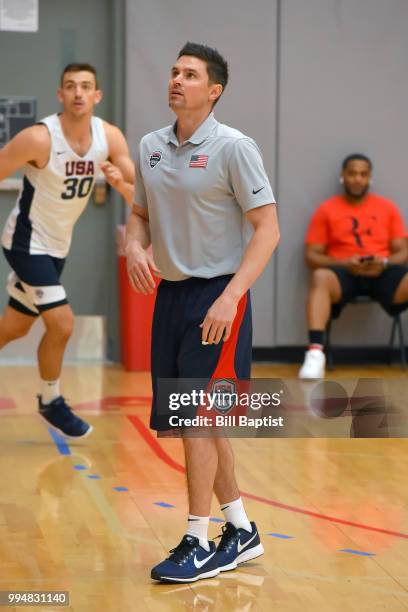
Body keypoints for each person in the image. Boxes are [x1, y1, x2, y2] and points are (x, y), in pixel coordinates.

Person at [111, 41, 279, 583]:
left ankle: (196, 540)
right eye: (174, 71)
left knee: (197, 418)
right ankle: (240, 529)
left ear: (214, 91)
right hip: (174, 296)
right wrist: (136, 247)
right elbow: (140, 213)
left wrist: (231, 298)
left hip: (219, 298)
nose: (176, 80)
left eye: (190, 74)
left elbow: (268, 230)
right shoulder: (151, 145)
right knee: (200, 420)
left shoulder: (234, 147)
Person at [0, 63, 134, 437]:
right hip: (26, 243)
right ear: (60, 95)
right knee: (62, 323)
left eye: (86, 86)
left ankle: (49, 397)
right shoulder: (40, 138)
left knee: (13, 327)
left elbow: (132, 184)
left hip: (58, 246)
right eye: (70, 86)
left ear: (97, 95)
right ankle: (50, 399)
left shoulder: (108, 137)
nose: (78, 92)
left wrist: (122, 181)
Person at [299, 153, 408, 380]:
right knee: (320, 276)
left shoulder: (387, 207)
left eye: (363, 174)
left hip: (382, 272)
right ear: (343, 176)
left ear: (369, 178)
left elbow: (403, 251)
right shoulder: (327, 209)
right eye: (352, 173)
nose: (357, 179)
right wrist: (343, 263)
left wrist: (384, 263)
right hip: (344, 273)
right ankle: (315, 354)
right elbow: (311, 256)